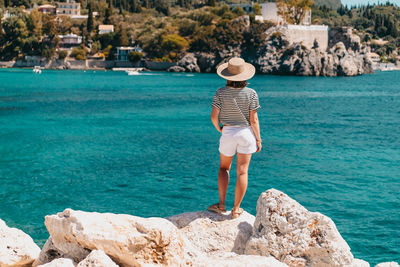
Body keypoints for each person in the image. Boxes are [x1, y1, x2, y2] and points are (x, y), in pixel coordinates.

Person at [207, 57, 262, 219]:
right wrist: (258, 139)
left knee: (224, 168)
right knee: (242, 172)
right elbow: (254, 120)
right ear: (245, 76)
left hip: (228, 133)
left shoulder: (220, 93)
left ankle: (221, 204)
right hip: (246, 133)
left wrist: (221, 129)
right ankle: (236, 209)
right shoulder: (252, 94)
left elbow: (213, 117)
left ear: (227, 76)